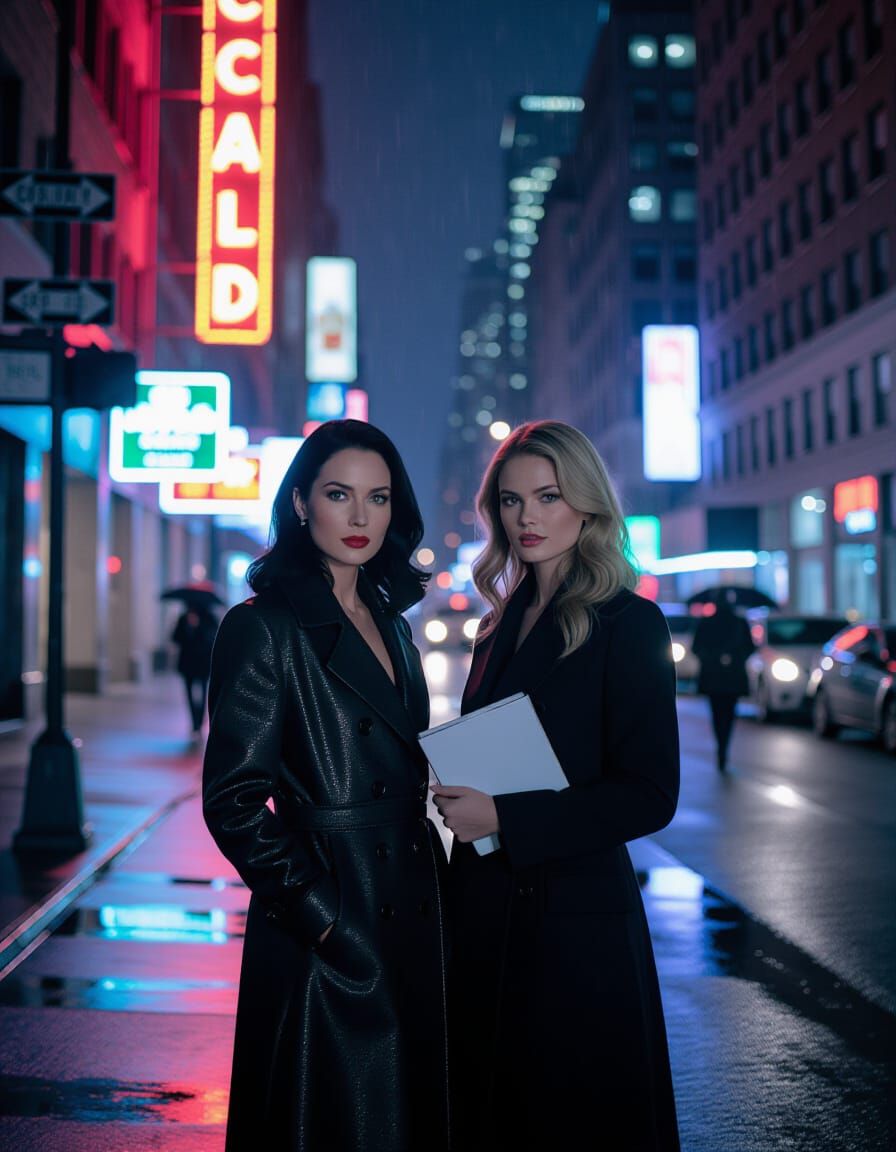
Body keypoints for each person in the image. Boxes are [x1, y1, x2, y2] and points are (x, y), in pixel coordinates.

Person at [432, 420, 681, 1152]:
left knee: (568, 1118)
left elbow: (649, 793)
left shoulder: (628, 623)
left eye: (548, 496)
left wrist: (505, 819)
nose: (528, 518)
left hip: (575, 921)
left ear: (588, 505)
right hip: (485, 908)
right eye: (511, 502)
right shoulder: (498, 621)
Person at [202, 419, 450, 1152]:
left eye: (378, 498)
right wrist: (322, 915)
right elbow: (234, 801)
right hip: (331, 917)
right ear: (302, 501)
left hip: (411, 900)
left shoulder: (393, 621)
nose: (361, 517)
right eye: (340, 495)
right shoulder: (265, 626)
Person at [691, 590, 756, 771]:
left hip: (714, 677)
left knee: (717, 714)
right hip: (732, 677)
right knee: (728, 714)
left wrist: (713, 658)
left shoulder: (707, 623)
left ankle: (722, 747)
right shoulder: (739, 622)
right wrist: (733, 658)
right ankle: (723, 747)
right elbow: (750, 648)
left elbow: (696, 648)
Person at [171, 605, 218, 735]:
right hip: (187, 663)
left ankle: (200, 720)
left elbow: (213, 638)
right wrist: (188, 627)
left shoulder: (209, 618)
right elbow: (175, 637)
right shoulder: (183, 618)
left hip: (203, 662)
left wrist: (198, 627)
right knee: (189, 693)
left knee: (203, 692)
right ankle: (194, 722)